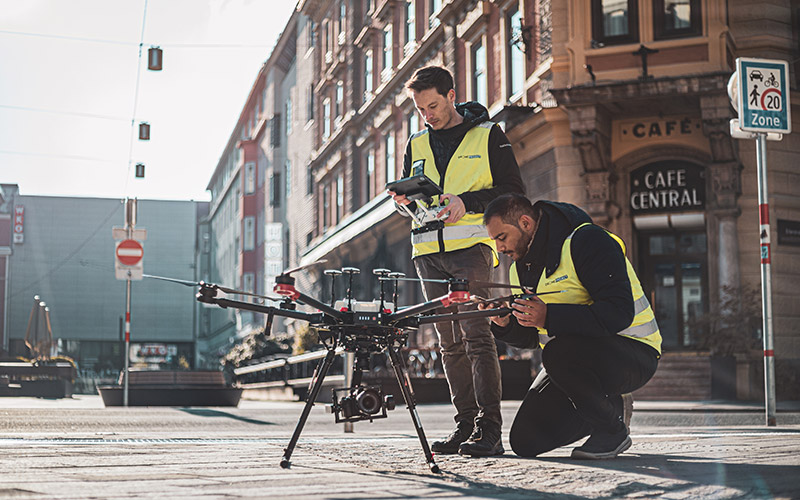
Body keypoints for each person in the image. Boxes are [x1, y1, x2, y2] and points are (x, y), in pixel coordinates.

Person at [388, 66, 524, 456]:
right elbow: (414, 200)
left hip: (472, 249)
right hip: (427, 252)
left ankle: (490, 431)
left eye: (432, 105)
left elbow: (513, 191)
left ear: (451, 95)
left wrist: (468, 203)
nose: (427, 115)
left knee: (478, 339)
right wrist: (404, 203)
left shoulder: (489, 135)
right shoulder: (416, 142)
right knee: (449, 345)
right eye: (419, 109)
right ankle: (464, 426)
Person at [480, 193, 661, 459]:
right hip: (572, 361)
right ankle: (609, 407)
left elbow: (618, 313)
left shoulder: (587, 241)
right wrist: (505, 324)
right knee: (525, 441)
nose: (499, 248)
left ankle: (612, 431)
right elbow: (534, 337)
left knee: (556, 353)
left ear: (526, 223)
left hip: (634, 355)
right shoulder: (518, 270)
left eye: (502, 237)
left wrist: (549, 317)